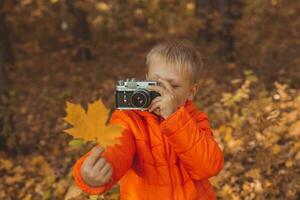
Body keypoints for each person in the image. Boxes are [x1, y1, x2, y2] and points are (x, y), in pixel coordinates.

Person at [72, 41, 224, 199]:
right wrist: (97, 170)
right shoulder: (129, 118)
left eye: (174, 86)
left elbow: (209, 167)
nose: (162, 92)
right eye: (156, 83)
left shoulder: (195, 120)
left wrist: (174, 118)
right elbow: (117, 147)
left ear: (191, 92)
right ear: (145, 80)